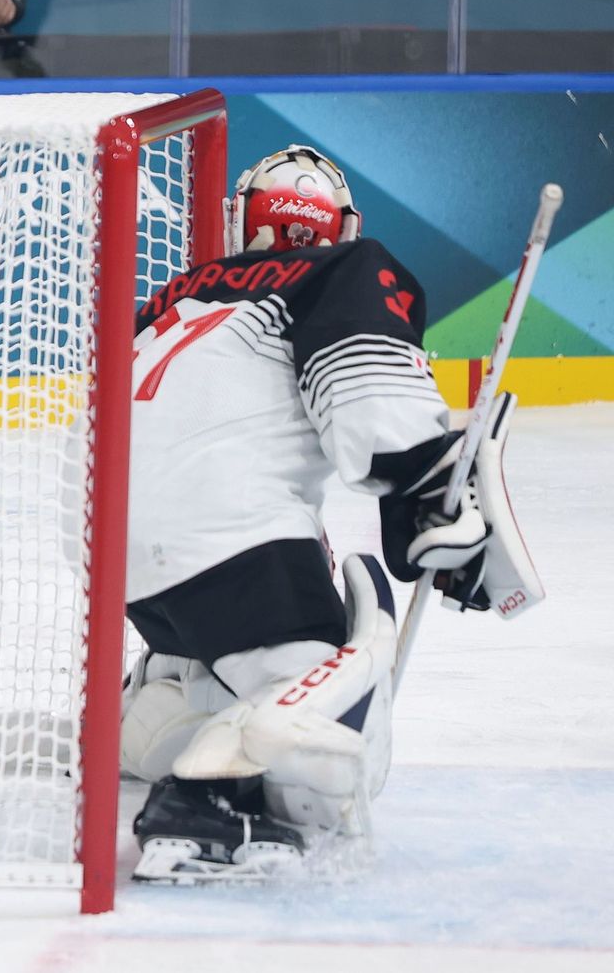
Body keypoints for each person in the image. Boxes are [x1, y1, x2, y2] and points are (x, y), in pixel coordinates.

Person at [118, 145, 540, 882]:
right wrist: (428, 485)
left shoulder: (171, 301)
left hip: (108, 551)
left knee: (240, 623)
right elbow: (375, 412)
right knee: (341, 746)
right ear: (342, 226)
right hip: (222, 536)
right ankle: (205, 799)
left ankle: (157, 698)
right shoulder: (345, 266)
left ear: (240, 220)